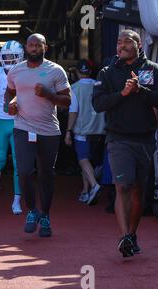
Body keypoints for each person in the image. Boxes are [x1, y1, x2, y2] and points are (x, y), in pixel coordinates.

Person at [93, 30, 158, 257]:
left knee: (138, 191)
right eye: (118, 41)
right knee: (122, 186)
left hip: (144, 139)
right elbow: (98, 104)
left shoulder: (152, 70)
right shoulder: (107, 72)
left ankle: (132, 235)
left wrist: (140, 90)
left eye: (126, 41)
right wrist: (122, 93)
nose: (121, 45)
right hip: (118, 138)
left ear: (139, 44)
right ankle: (124, 237)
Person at [5, 34, 71, 238]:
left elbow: (67, 101)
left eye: (38, 45)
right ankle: (32, 210)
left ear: (45, 47)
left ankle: (45, 215)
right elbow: (9, 93)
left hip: (48, 129)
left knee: (46, 174)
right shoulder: (16, 70)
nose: (34, 48)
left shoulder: (55, 70)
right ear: (26, 47)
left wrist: (49, 95)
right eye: (31, 45)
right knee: (24, 170)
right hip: (23, 126)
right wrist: (11, 105)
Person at [0, 40, 24, 214]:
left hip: (20, 122)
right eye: (6, 57)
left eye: (12, 56)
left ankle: (17, 199)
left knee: (19, 163)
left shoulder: (26, 72)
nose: (8, 60)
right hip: (0, 121)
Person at [65, 59, 105, 205]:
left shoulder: (74, 88)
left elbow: (73, 112)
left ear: (77, 71)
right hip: (101, 130)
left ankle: (94, 185)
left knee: (83, 160)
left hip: (83, 130)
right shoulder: (99, 86)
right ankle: (85, 191)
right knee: (90, 163)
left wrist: (68, 131)